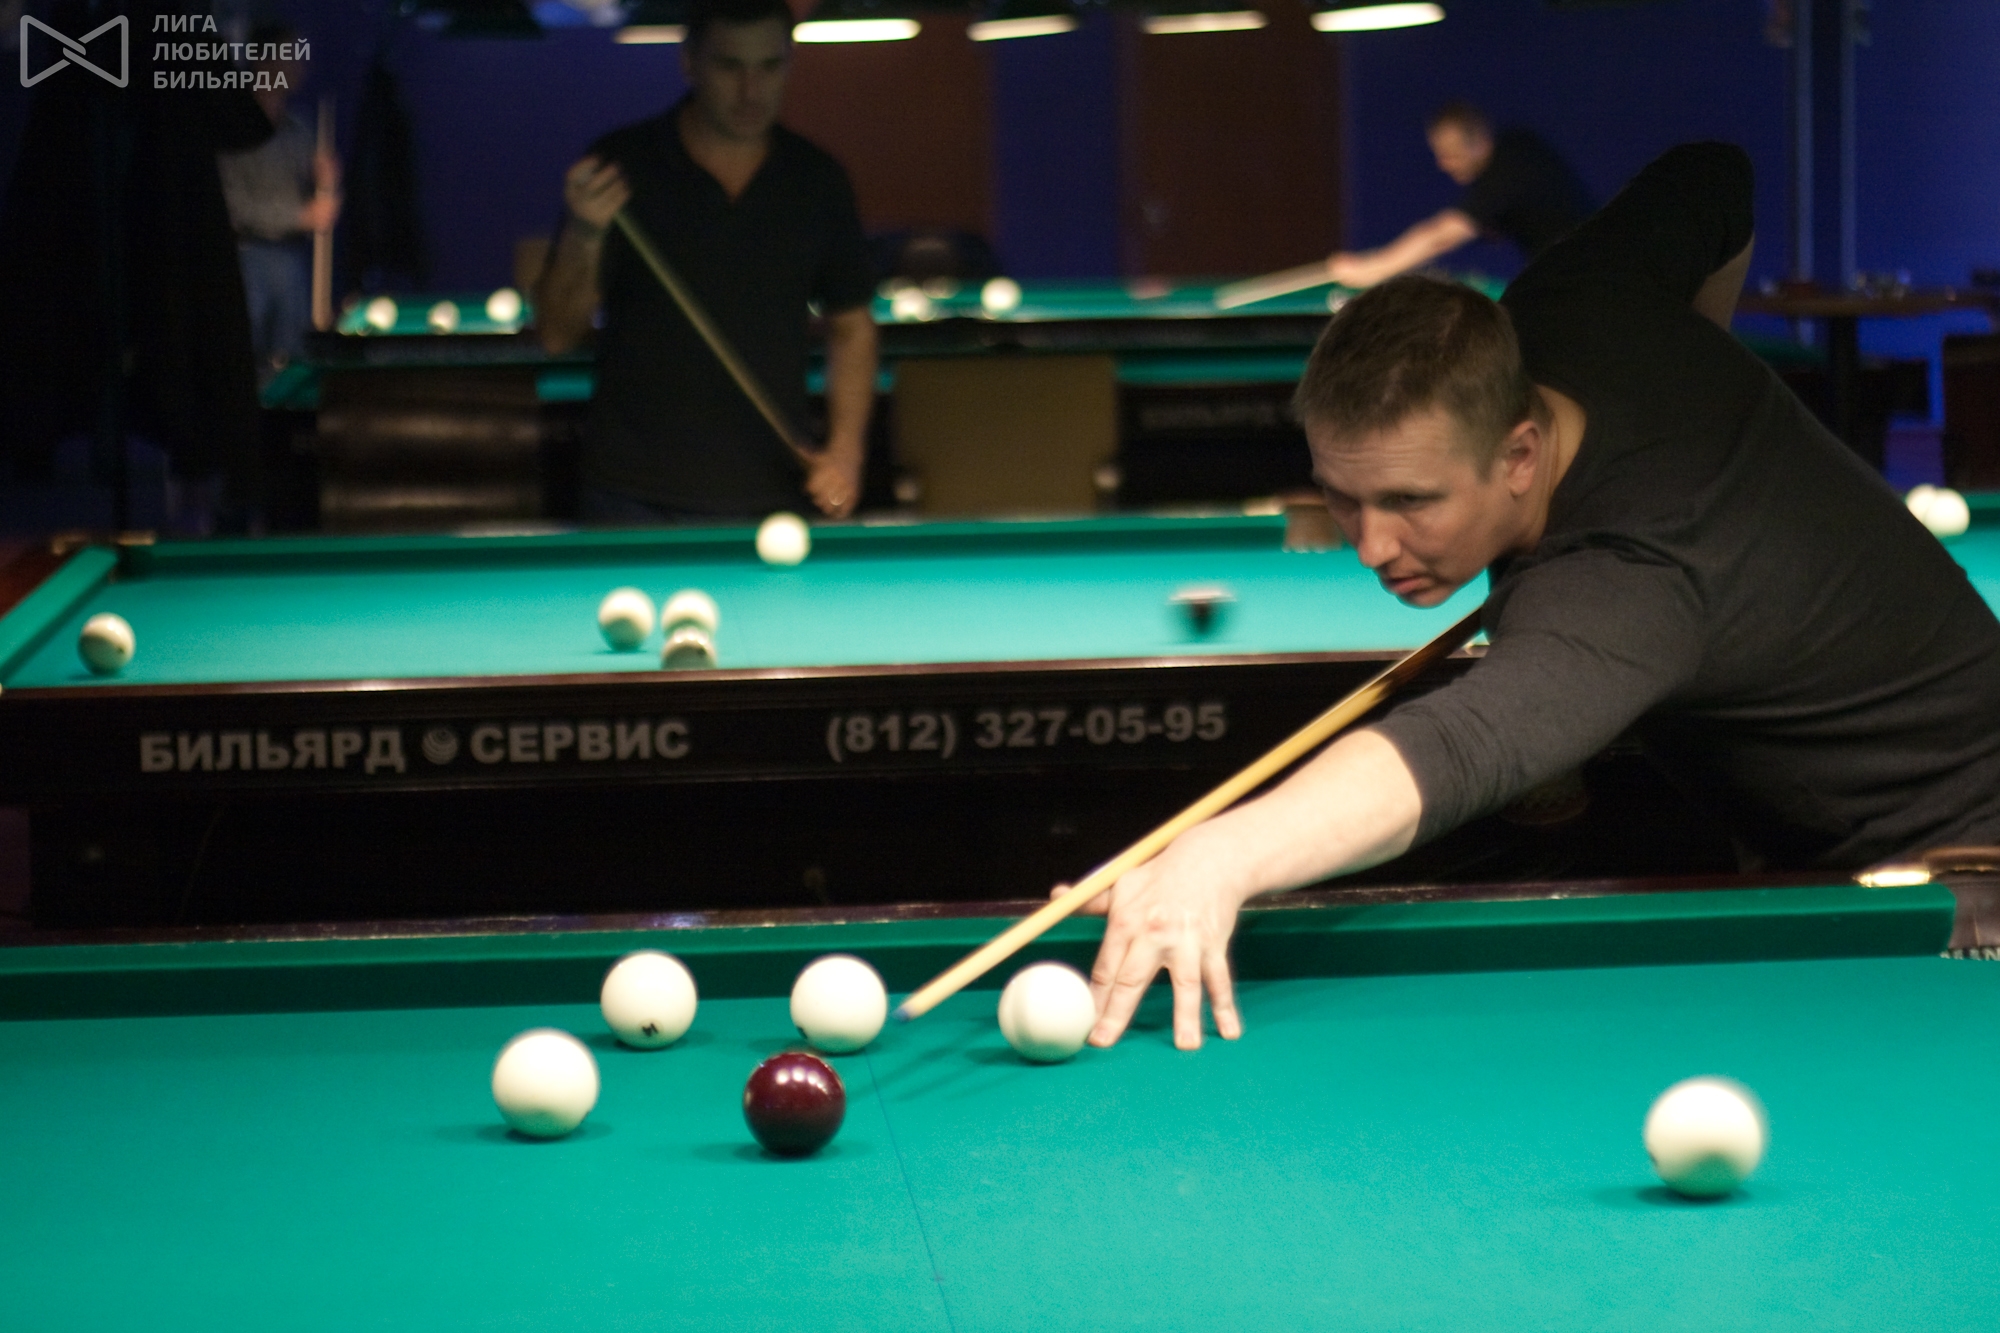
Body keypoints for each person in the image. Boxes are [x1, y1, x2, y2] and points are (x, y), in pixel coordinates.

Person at [1079, 143, 2000, 1053]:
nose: (1370, 545)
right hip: (1823, 848)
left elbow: (1457, 747)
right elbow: (1713, 174)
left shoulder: (1627, 580)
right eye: (1343, 497)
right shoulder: (1576, 296)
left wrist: (1221, 855)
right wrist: (1692, 370)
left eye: (1411, 501)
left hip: (1953, 876)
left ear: (1520, 454)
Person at [537, 0, 877, 524]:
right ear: (689, 62)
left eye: (769, 67)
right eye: (729, 66)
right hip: (633, 496)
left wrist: (846, 452)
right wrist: (584, 235)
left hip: (773, 492)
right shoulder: (623, 167)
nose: (751, 91)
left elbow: (851, 327)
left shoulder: (817, 180)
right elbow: (557, 334)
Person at [1325, 102, 1592, 289]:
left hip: (1587, 277)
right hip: (1577, 274)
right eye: (1440, 154)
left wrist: (1371, 271)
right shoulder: (1517, 148)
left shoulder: (1508, 170)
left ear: (1479, 143)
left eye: (1451, 155)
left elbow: (1441, 236)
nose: (1443, 164)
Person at [216, 27, 341, 382]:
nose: (300, 66)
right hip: (247, 260)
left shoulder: (299, 129)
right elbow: (235, 207)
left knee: (292, 363)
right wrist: (303, 216)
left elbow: (319, 197)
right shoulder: (232, 128)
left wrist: (326, 180)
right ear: (264, 61)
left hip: (290, 262)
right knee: (246, 363)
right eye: (291, 55)